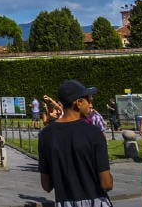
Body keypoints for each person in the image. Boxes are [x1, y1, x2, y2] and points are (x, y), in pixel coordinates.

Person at [38, 79, 112, 207]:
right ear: (78, 102)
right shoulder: (94, 133)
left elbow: (46, 185)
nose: (90, 103)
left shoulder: (45, 135)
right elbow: (106, 184)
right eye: (88, 99)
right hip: (94, 200)